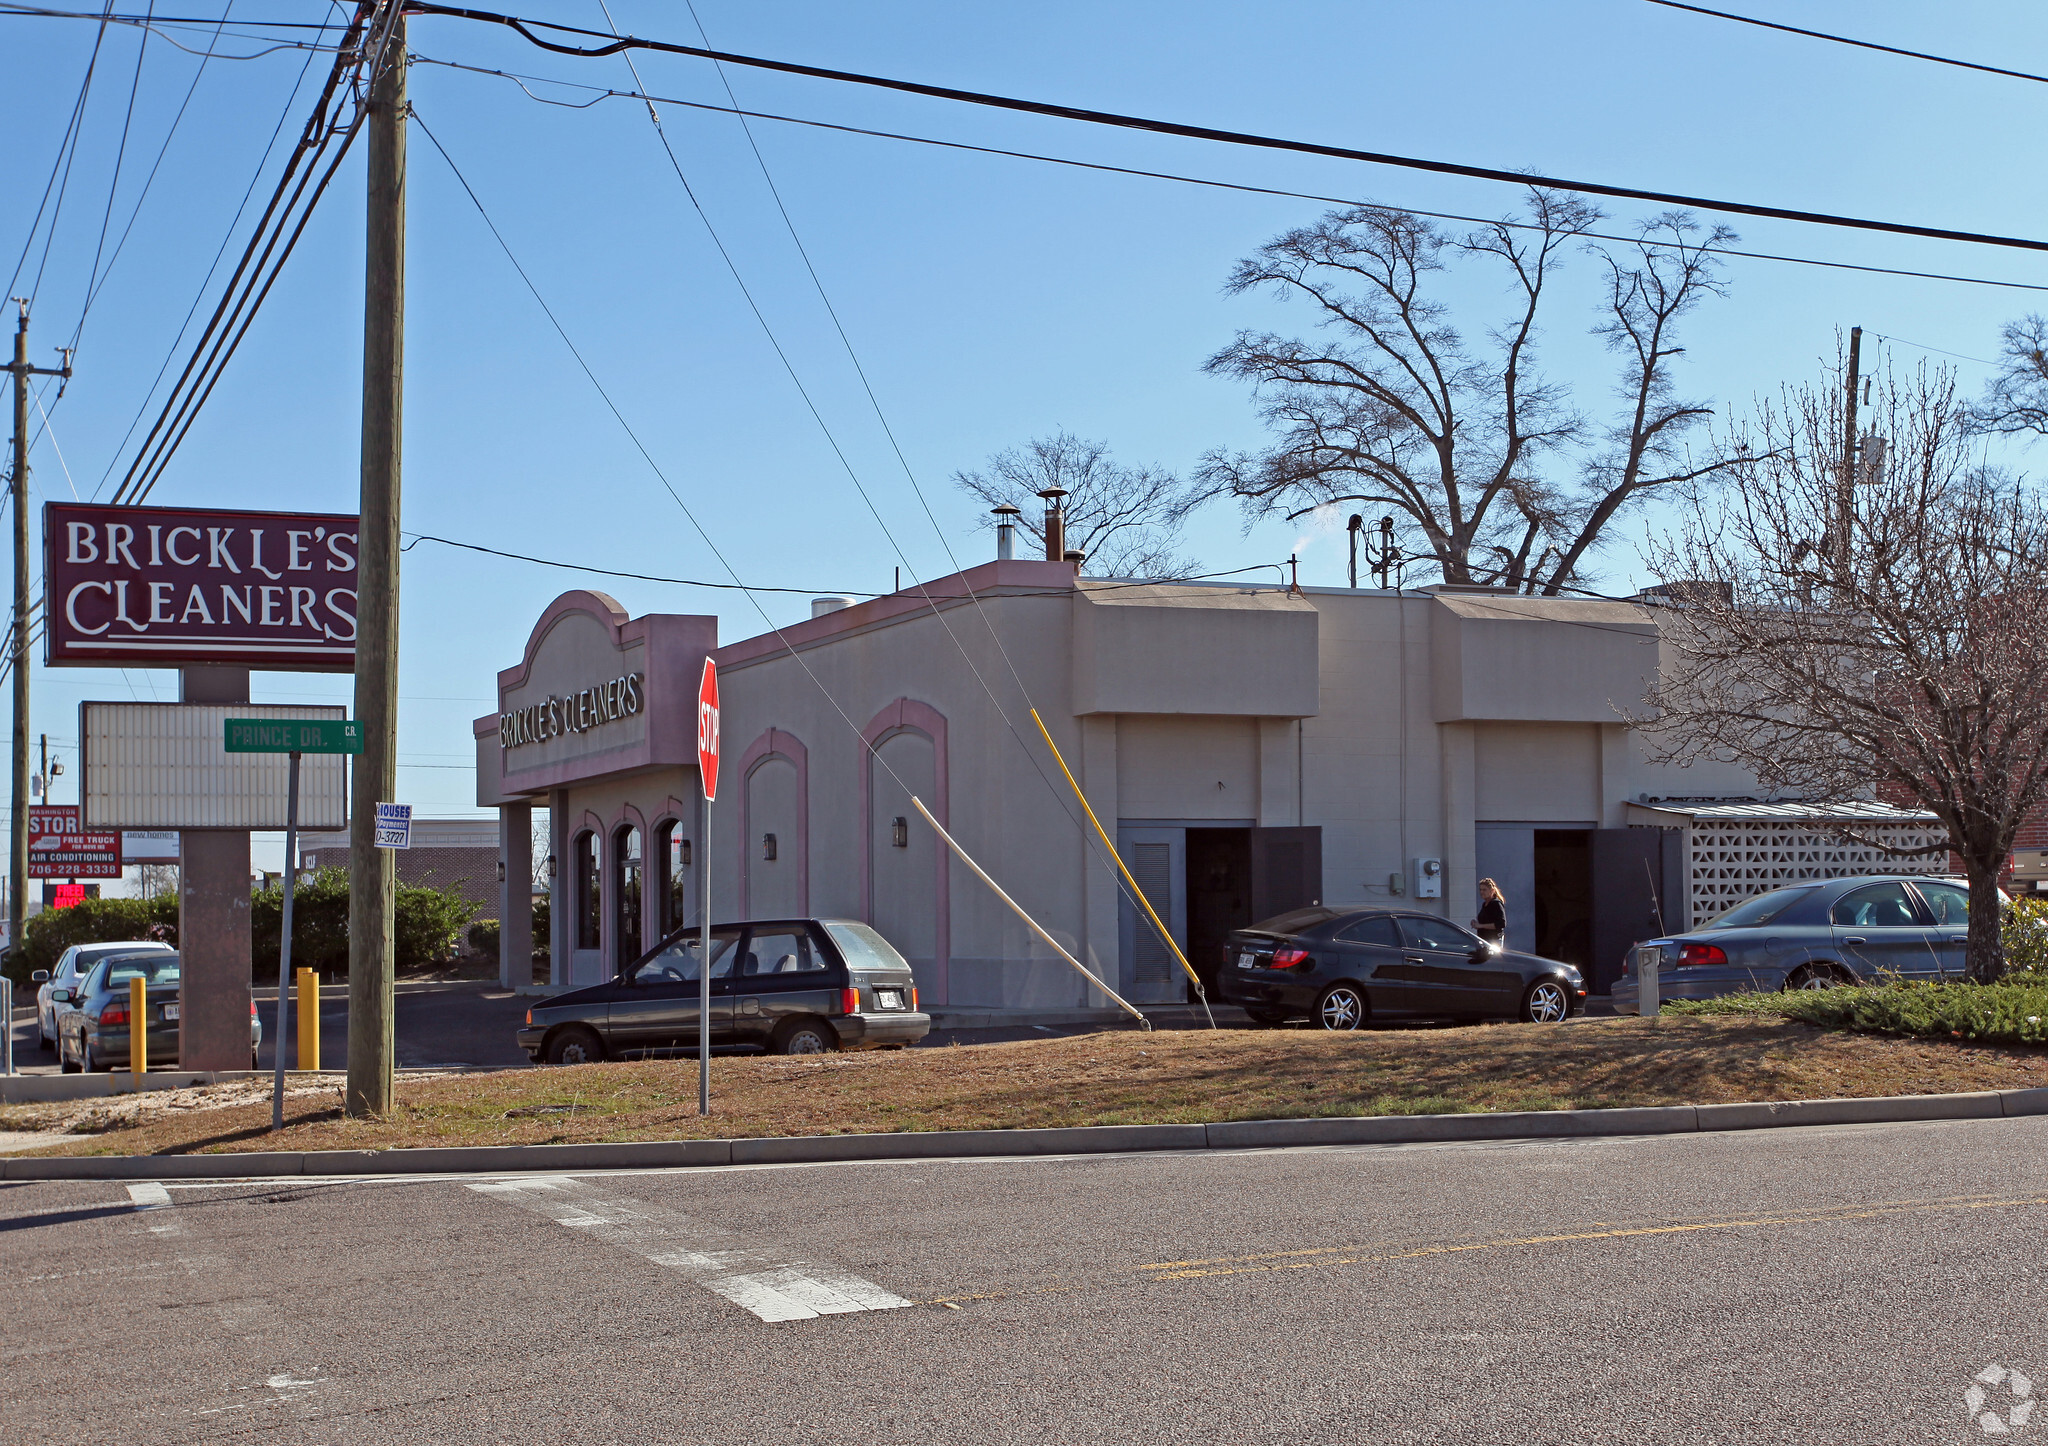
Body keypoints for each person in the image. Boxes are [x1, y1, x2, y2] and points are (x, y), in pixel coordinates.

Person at [1472, 878, 1507, 949]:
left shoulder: (1496, 904)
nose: (1482, 892)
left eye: (1484, 890)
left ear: (1492, 891)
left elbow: (1501, 923)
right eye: (1480, 890)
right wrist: (1476, 924)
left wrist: (1480, 926)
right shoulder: (1485, 904)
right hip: (1483, 940)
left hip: (1493, 940)